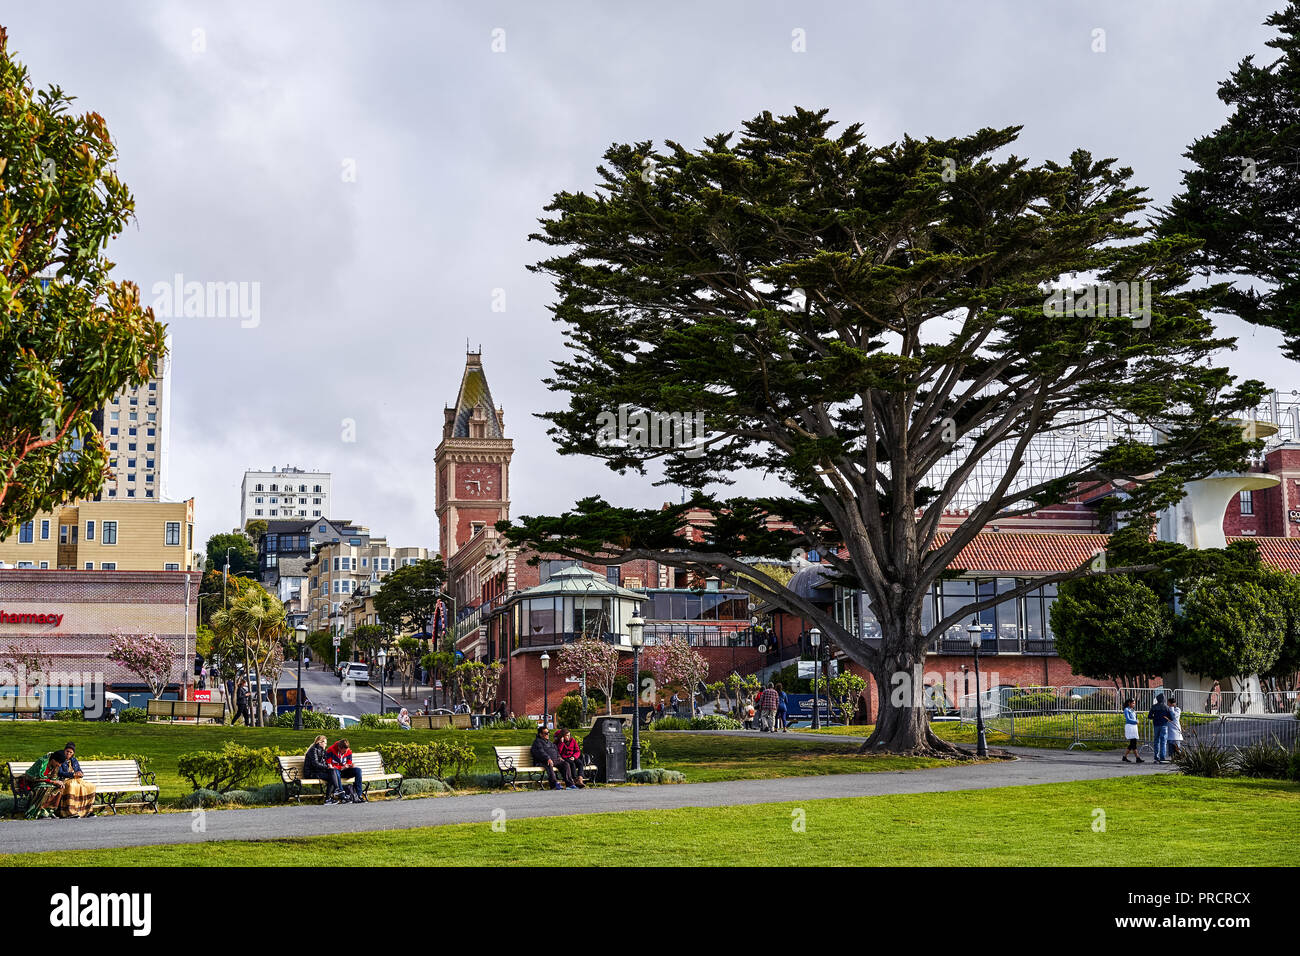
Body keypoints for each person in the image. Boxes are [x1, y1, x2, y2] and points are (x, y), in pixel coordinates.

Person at [304, 735, 348, 804]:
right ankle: (331, 795)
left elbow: (326, 761)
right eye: (325, 743)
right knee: (332, 777)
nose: (326, 745)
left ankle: (333, 794)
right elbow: (315, 764)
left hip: (318, 772)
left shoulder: (322, 751)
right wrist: (327, 767)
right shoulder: (313, 750)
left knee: (333, 772)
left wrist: (330, 765)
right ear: (319, 742)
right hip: (311, 773)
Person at [529, 725, 576, 790]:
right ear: (540, 734)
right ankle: (554, 784)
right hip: (542, 761)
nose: (548, 734)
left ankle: (569, 784)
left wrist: (559, 757)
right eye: (546, 733)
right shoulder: (537, 742)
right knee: (549, 764)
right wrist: (547, 758)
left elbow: (556, 750)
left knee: (565, 764)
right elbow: (540, 752)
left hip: (554, 760)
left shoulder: (549, 742)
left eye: (548, 733)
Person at [1148, 693, 1173, 763]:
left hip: (1156, 725)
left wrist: (1155, 718)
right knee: (1163, 742)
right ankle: (1162, 757)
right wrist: (1165, 719)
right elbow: (1171, 718)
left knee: (1156, 741)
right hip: (1164, 725)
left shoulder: (1154, 706)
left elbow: (1149, 716)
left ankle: (1156, 757)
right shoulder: (1166, 707)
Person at [1121, 697, 1143, 763]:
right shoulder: (1126, 710)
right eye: (1133, 703)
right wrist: (1135, 721)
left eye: (1134, 703)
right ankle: (1137, 757)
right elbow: (1128, 719)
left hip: (1134, 727)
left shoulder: (1133, 710)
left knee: (1132, 743)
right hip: (1130, 726)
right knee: (1133, 742)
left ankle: (1124, 757)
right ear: (1129, 703)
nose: (1134, 704)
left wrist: (1136, 721)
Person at [1167, 695, 1183, 760]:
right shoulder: (1168, 709)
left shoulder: (1177, 709)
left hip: (1175, 729)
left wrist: (1171, 708)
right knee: (1170, 744)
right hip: (1169, 729)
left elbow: (1173, 716)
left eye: (1168, 703)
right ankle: (1172, 757)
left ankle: (1179, 757)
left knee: (1176, 744)